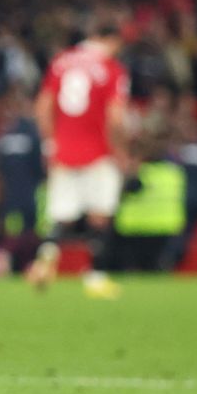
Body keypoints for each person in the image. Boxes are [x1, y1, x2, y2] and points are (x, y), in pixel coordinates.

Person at [26, 21, 131, 298]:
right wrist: (120, 150)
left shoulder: (61, 62)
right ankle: (95, 278)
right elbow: (116, 117)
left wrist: (50, 143)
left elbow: (42, 106)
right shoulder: (112, 69)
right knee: (100, 215)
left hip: (63, 151)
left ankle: (44, 259)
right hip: (98, 151)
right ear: (113, 40)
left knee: (62, 216)